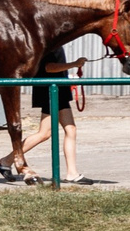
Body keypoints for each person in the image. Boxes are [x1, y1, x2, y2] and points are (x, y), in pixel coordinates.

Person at [9, 47, 82, 183]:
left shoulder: (57, 45)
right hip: (51, 90)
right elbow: (49, 68)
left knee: (70, 129)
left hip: (59, 89)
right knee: (44, 133)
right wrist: (74, 64)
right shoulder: (50, 46)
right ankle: (7, 161)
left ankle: (72, 173)